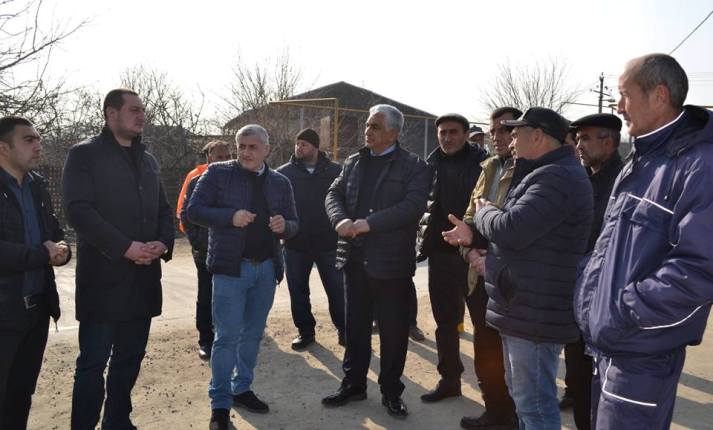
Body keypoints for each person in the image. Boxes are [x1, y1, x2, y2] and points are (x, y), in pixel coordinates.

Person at [575, 53, 713, 429]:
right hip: (612, 346)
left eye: (624, 95)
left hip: (641, 352)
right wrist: (591, 294)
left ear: (659, 96)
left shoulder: (700, 165)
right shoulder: (643, 161)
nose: (618, 107)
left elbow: (700, 270)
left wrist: (625, 311)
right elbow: (611, 247)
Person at [444, 107, 593, 429]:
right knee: (524, 398)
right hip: (524, 305)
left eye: (515, 133)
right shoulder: (544, 172)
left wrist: (484, 212)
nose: (510, 140)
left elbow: (511, 228)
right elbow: (523, 232)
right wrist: (475, 235)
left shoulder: (556, 177)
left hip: (535, 310)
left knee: (534, 404)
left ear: (537, 135)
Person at [62, 89, 175, 430]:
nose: (142, 116)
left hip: (143, 281)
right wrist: (125, 247)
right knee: (93, 363)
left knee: (129, 359)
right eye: (134, 109)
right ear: (111, 113)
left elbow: (163, 210)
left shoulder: (148, 160)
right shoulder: (84, 154)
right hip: (103, 281)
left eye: (143, 110)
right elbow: (78, 211)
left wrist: (162, 243)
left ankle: (117, 421)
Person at [321, 104, 431, 419]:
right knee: (355, 328)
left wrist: (370, 223)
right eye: (368, 125)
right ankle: (353, 384)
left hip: (391, 264)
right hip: (354, 259)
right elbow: (333, 195)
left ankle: (391, 391)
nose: (368, 131)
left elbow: (413, 206)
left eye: (375, 126)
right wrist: (340, 220)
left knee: (393, 332)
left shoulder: (414, 166)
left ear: (393, 133)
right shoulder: (354, 161)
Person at [186, 124, 298, 430]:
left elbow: (294, 223)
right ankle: (220, 404)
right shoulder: (217, 173)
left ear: (266, 150)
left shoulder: (280, 182)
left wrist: (284, 227)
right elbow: (193, 211)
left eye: (252, 147)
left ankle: (242, 388)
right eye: (241, 146)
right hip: (230, 270)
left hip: (266, 269)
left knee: (252, 335)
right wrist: (229, 217)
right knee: (226, 337)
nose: (246, 152)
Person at [0, 116, 70, 429]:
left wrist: (61, 251)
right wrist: (43, 253)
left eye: (38, 139)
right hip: (4, 312)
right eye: (29, 140)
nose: (38, 146)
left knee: (20, 395)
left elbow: (53, 233)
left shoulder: (37, 185)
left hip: (36, 309)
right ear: (3, 148)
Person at [416, 113, 487, 404]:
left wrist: (478, 244)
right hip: (441, 255)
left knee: (483, 325)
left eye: (453, 132)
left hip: (473, 256)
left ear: (466, 134)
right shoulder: (429, 165)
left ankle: (490, 386)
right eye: (442, 132)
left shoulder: (484, 165)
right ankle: (449, 380)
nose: (447, 138)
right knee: (445, 323)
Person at [459, 107, 521, 430]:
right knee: (485, 350)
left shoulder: (531, 170)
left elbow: (516, 227)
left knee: (515, 357)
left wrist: (490, 257)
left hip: (510, 279)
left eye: (505, 129)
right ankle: (495, 412)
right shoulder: (489, 167)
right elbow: (471, 214)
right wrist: (470, 252)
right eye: (493, 130)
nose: (497, 136)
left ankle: (516, 416)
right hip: (478, 273)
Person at [560, 113, 623, 429]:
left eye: (585, 138)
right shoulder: (581, 178)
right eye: (578, 139)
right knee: (579, 375)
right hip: (578, 296)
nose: (579, 146)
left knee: (604, 386)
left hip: (608, 298)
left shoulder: (624, 182)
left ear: (608, 142)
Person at [276, 128, 345, 350]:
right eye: (297, 144)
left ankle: (345, 331)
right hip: (296, 243)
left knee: (337, 290)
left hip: (330, 243)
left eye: (304, 144)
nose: (299, 148)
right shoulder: (283, 173)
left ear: (316, 147)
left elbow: (346, 200)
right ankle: (305, 332)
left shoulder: (336, 171)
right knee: (298, 291)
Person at [180, 140, 231, 360]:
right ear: (209, 157)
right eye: (219, 157)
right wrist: (197, 242)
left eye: (227, 156)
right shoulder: (196, 181)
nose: (224, 160)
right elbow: (185, 214)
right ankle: (206, 340)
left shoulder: (239, 181)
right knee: (206, 295)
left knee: (231, 295)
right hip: (205, 252)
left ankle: (228, 338)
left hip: (232, 251)